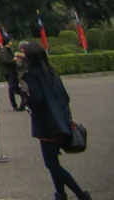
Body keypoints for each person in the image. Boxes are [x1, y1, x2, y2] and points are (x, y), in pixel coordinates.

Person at [22, 40, 90, 200]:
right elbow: (65, 97)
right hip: (61, 121)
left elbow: (37, 98)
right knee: (53, 162)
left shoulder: (31, 74)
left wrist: (26, 99)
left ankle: (80, 194)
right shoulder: (51, 72)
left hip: (47, 124)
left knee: (52, 164)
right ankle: (60, 194)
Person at [0, 40, 25, 111]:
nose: (11, 42)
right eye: (10, 41)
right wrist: (13, 60)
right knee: (12, 88)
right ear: (8, 42)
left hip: (12, 71)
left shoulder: (8, 50)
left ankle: (22, 102)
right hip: (9, 71)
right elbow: (5, 60)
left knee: (14, 87)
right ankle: (16, 104)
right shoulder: (3, 51)